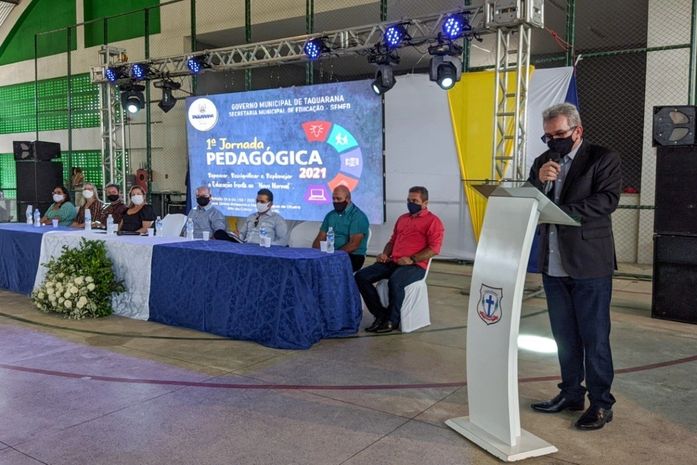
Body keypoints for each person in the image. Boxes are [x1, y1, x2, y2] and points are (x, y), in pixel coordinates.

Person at [527, 103, 621, 431]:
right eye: (548, 136)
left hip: (589, 263)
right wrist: (539, 184)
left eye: (559, 134)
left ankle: (601, 403)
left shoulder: (602, 158)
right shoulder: (543, 161)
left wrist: (563, 212)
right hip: (553, 263)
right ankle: (570, 393)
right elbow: (530, 202)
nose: (554, 141)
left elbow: (607, 199)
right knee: (564, 336)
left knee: (594, 337)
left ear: (577, 131)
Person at [355, 186, 444, 334]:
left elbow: (434, 249)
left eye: (415, 201)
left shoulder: (433, 221)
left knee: (395, 281)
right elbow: (392, 241)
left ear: (425, 203)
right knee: (361, 276)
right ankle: (380, 314)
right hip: (393, 261)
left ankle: (392, 320)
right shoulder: (403, 218)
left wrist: (412, 259)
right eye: (408, 200)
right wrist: (385, 254)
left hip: (415, 266)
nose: (410, 203)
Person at [312, 185, 370, 272]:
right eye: (333, 199)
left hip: (353, 256)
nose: (335, 201)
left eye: (338, 199)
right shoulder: (330, 215)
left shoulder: (358, 216)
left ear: (348, 199)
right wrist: (315, 253)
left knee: (327, 269)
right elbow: (320, 237)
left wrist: (334, 255)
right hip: (330, 253)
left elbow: (353, 245)